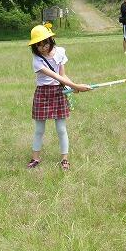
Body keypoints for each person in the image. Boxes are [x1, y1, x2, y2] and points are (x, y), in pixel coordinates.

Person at [27, 25, 90, 171]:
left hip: (58, 92)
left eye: (45, 43)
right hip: (42, 93)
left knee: (61, 129)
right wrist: (76, 86)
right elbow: (55, 76)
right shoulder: (37, 60)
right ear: (35, 46)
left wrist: (72, 87)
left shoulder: (60, 52)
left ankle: (64, 159)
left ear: (51, 40)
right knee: (39, 129)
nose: (42, 47)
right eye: (38, 45)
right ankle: (35, 158)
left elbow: (62, 75)